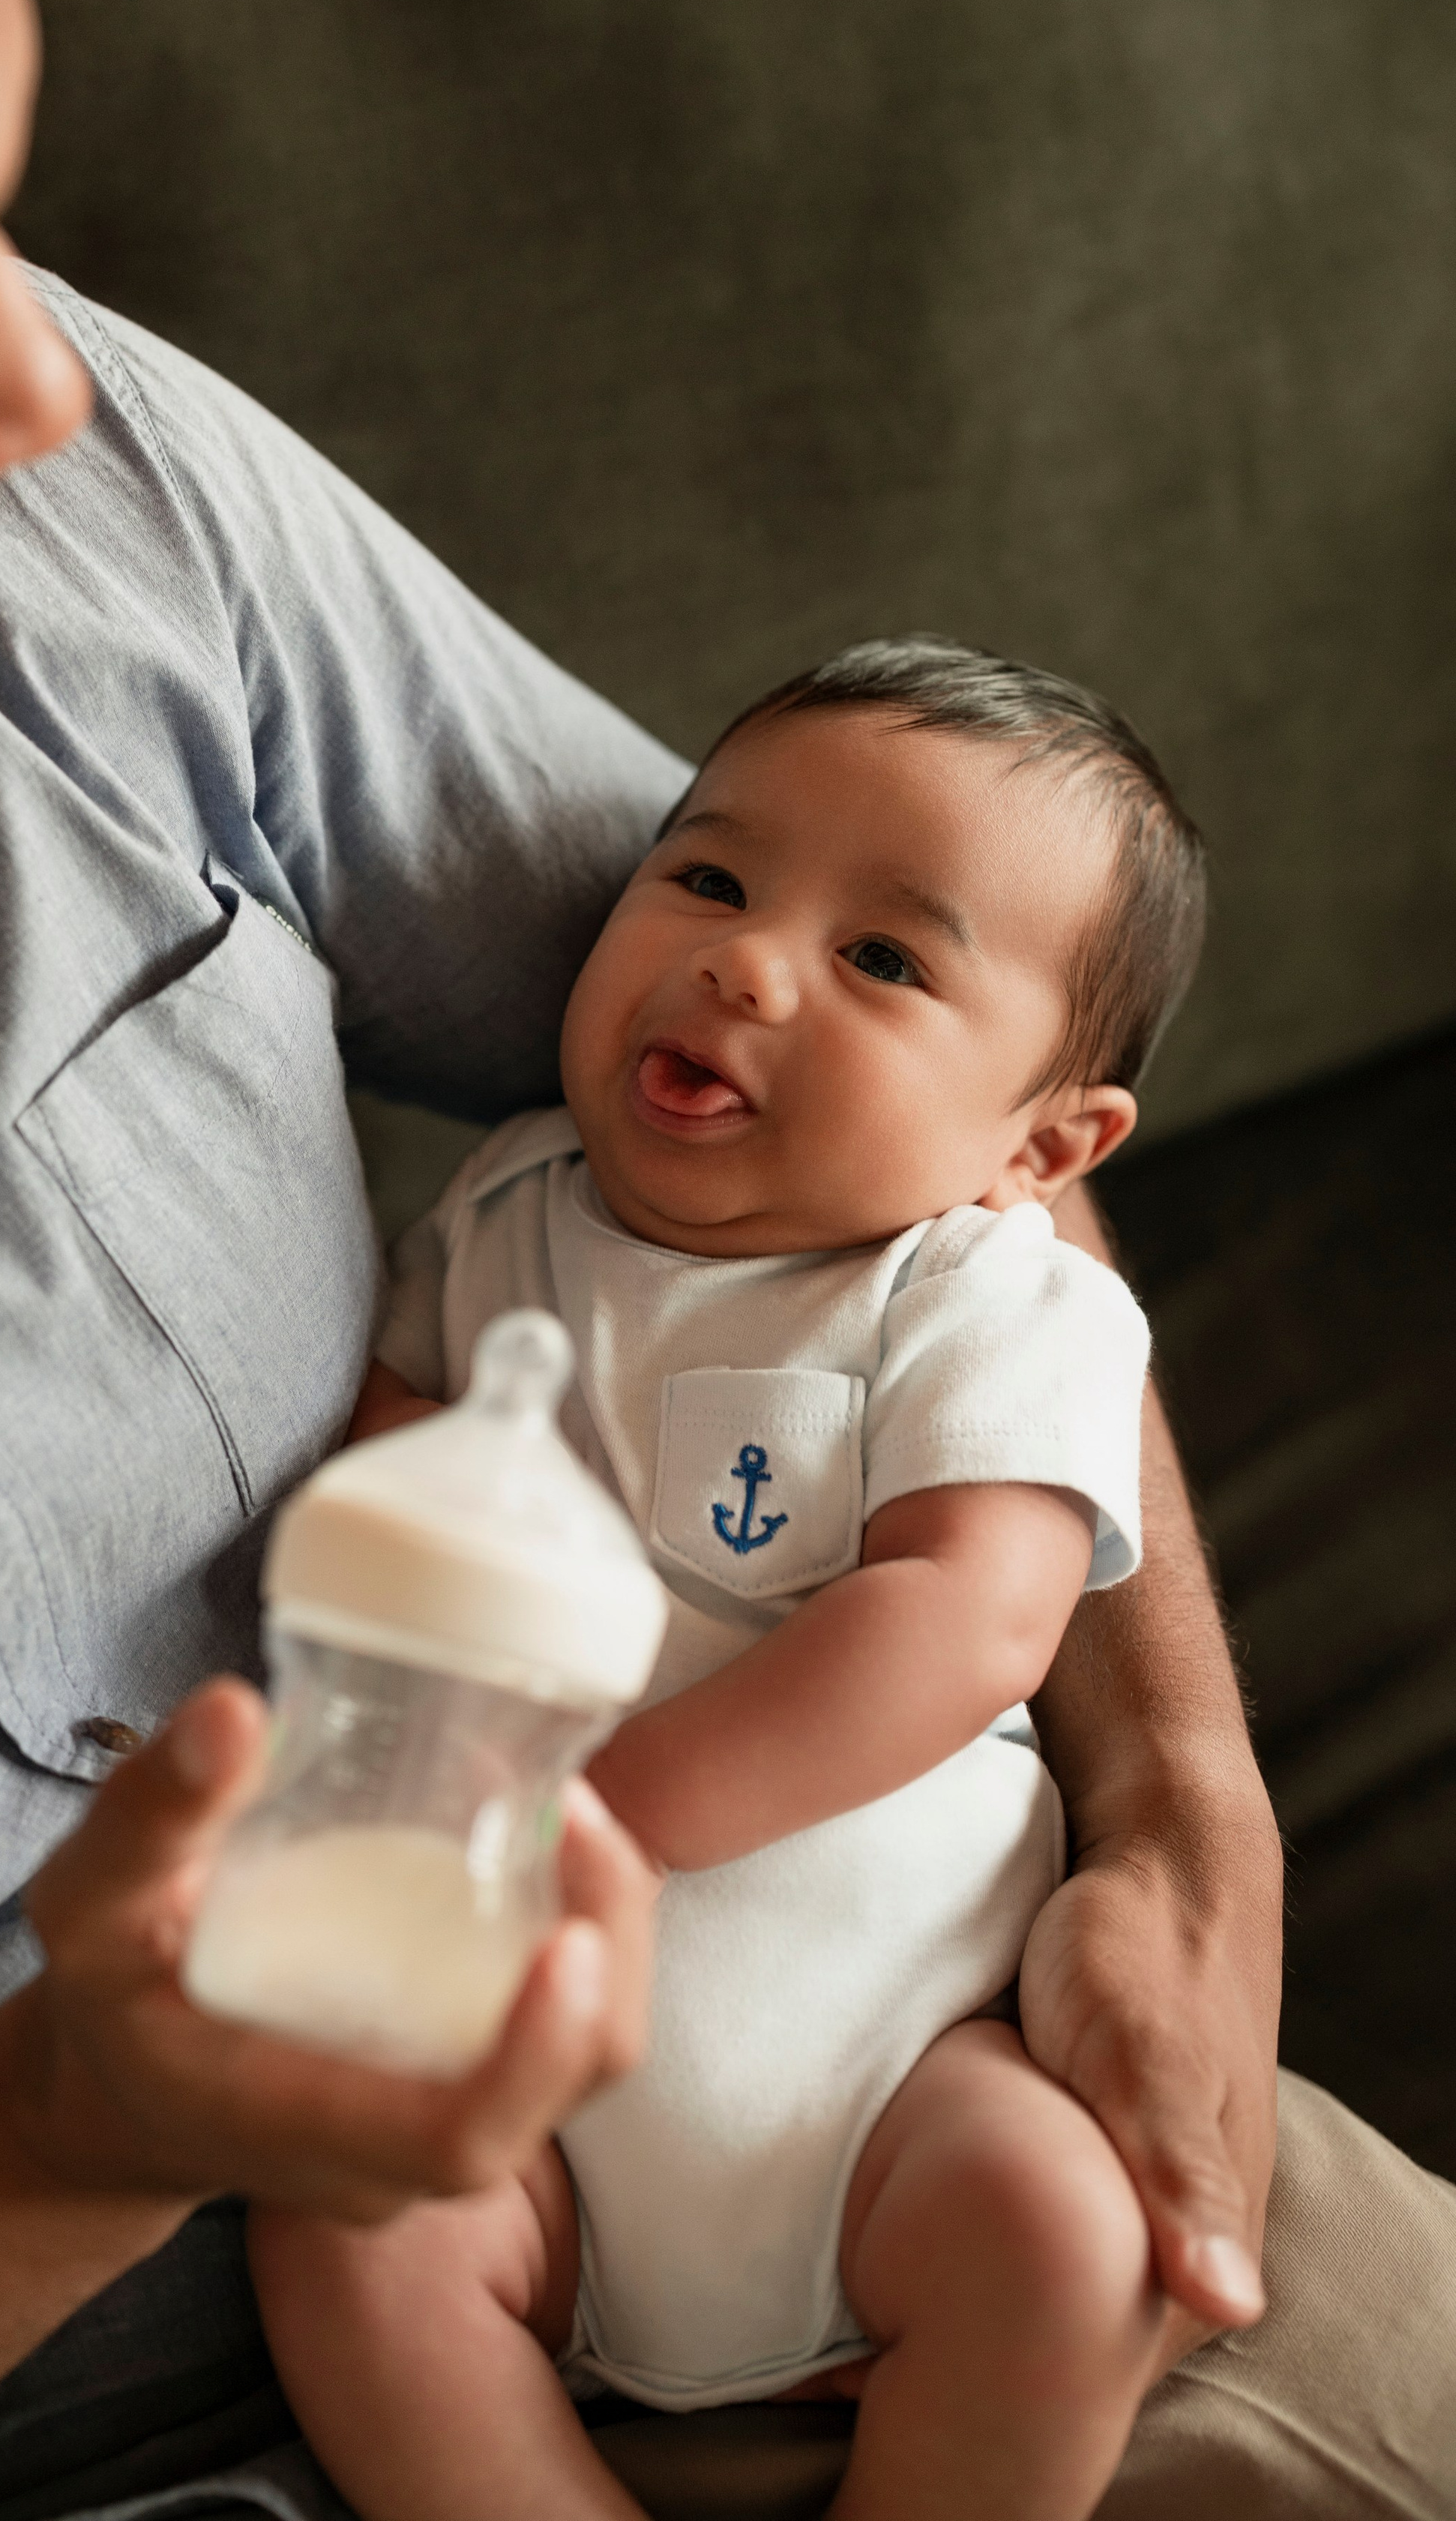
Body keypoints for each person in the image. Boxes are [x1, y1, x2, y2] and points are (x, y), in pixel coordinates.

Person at [0, 0, 1445, 2517]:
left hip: (919, 2097)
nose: (34, 389)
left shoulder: (60, 527)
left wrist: (1186, 1806)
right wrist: (104, 2117)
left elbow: (893, 1098)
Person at [250, 641, 1191, 2520]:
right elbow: (387, 1450)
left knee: (1067, 2241)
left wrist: (606, 1815)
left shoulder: (987, 1297)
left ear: (1041, 1145)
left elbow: (968, 1614)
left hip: (886, 2081)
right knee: (346, 2226)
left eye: (883, 961)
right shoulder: (504, 1207)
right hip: (510, 2097)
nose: (743, 962)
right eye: (706, 877)